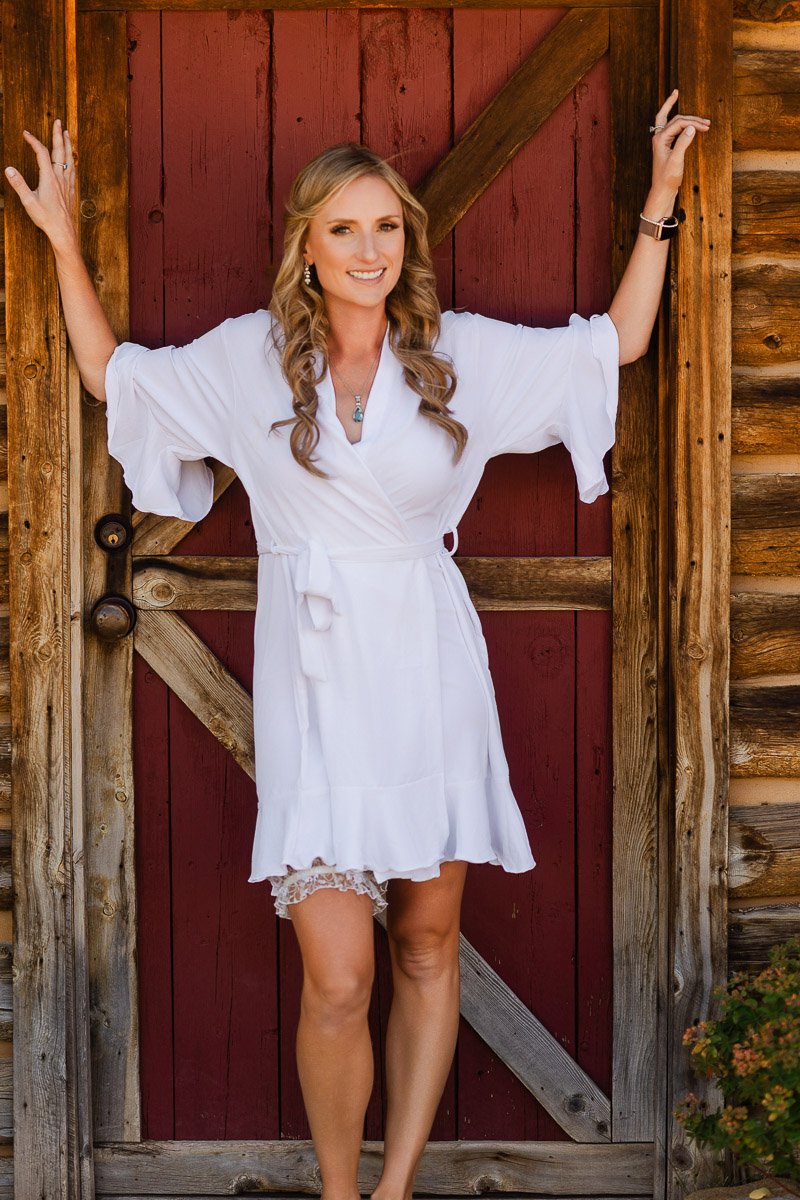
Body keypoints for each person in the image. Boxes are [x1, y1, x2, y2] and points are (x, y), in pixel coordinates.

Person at [5, 88, 708, 1200]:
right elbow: (115, 378)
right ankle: (340, 1191)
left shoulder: (452, 355)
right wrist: (58, 239)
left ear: (407, 244)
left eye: (386, 227)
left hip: (427, 663)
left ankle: (393, 1193)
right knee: (337, 976)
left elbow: (610, 346)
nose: (368, 249)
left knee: (427, 947)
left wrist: (658, 206)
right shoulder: (247, 361)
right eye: (344, 228)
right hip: (315, 677)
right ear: (306, 244)